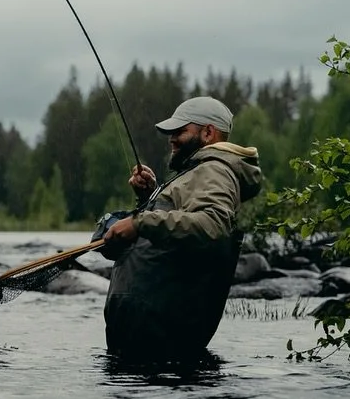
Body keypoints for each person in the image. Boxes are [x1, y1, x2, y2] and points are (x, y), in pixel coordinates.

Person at [100, 95, 263, 364]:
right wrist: (148, 197)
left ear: (208, 132)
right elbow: (176, 237)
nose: (171, 138)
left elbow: (212, 226)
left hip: (163, 351)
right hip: (147, 345)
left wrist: (140, 222)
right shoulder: (199, 172)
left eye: (180, 131)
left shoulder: (215, 171)